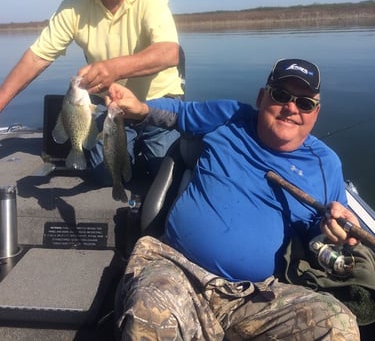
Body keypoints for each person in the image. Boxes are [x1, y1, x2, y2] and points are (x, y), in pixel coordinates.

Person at [107, 58, 361, 339]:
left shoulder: (327, 164)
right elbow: (179, 113)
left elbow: (319, 237)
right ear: (262, 96)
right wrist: (139, 108)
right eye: (280, 95)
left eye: (304, 103)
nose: (291, 108)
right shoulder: (229, 116)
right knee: (151, 311)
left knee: (338, 325)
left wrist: (333, 233)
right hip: (179, 271)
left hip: (256, 296)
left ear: (316, 112)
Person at [0, 0, 184, 180]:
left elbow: (170, 52)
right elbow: (37, 56)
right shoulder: (74, 4)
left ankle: (148, 149)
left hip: (157, 102)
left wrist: (113, 68)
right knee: (103, 174)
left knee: (163, 172)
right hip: (110, 107)